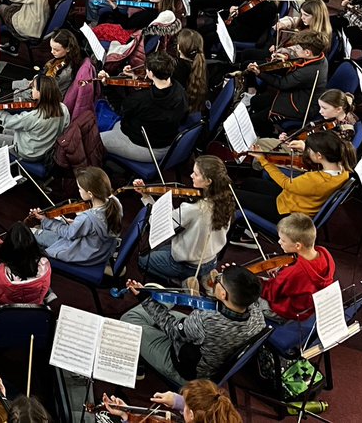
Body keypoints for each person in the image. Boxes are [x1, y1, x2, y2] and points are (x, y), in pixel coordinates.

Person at [120, 267, 267, 388]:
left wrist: (145, 300)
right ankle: (159, 299)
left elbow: (172, 329)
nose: (216, 280)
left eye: (219, 280)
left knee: (129, 319)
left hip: (186, 371)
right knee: (165, 313)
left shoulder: (205, 320)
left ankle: (154, 298)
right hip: (213, 363)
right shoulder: (257, 313)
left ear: (223, 294)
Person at [135, 156, 235, 287]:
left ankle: (180, 281)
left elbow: (162, 223)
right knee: (166, 248)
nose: (191, 175)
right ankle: (206, 278)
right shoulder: (227, 199)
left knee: (143, 260)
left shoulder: (194, 209)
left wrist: (146, 196)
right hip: (211, 260)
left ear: (208, 181)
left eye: (196, 174)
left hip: (189, 265)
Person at [236, 130, 354, 229]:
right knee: (250, 183)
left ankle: (243, 233)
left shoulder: (315, 179)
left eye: (309, 150)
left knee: (233, 195)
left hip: (287, 213)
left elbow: (285, 183)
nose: (307, 151)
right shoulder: (344, 170)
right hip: (296, 200)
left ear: (319, 156)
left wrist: (263, 160)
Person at [100, 52, 188, 162]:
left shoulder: (142, 99)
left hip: (147, 148)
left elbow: (120, 108)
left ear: (150, 73)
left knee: (96, 140)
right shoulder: (180, 89)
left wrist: (106, 86)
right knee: (116, 126)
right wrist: (135, 77)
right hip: (167, 141)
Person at [29, 166, 122, 265]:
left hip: (87, 253)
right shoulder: (115, 202)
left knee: (31, 234)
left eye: (79, 189)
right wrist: (74, 223)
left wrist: (45, 220)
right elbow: (95, 227)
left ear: (90, 194)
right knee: (55, 224)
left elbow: (69, 234)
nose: (79, 191)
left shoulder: (86, 218)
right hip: (102, 248)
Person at [245, 29, 329, 136]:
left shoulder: (308, 72)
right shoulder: (319, 56)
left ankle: (268, 135)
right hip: (297, 92)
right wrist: (286, 53)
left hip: (299, 105)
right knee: (256, 101)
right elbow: (298, 56)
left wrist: (259, 73)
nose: (295, 49)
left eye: (297, 48)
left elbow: (282, 84)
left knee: (255, 120)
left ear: (307, 52)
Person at [259, 212, 336, 322]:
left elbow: (270, 293)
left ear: (298, 245)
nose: (279, 242)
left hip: (286, 312)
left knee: (242, 291)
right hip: (307, 308)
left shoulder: (293, 273)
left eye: (283, 240)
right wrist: (282, 273)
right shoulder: (325, 253)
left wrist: (253, 280)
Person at [0, 75, 69, 163]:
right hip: (47, 146)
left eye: (34, 88)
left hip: (30, 153)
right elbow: (64, 128)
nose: (31, 90)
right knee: (6, 130)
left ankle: (0, 162)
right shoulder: (63, 108)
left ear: (41, 92)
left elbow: (9, 121)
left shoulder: (34, 116)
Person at [250, 88, 358, 153]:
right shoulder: (338, 116)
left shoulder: (344, 131)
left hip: (307, 157)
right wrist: (291, 138)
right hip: (305, 146)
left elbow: (326, 154)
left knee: (260, 145)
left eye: (324, 108)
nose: (320, 112)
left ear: (339, 109)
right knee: (262, 144)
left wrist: (303, 146)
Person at [101, 379, 243, 423]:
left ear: (192, 415)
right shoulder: (226, 415)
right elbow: (206, 406)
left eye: (185, 403)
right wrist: (177, 401)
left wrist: (127, 418)